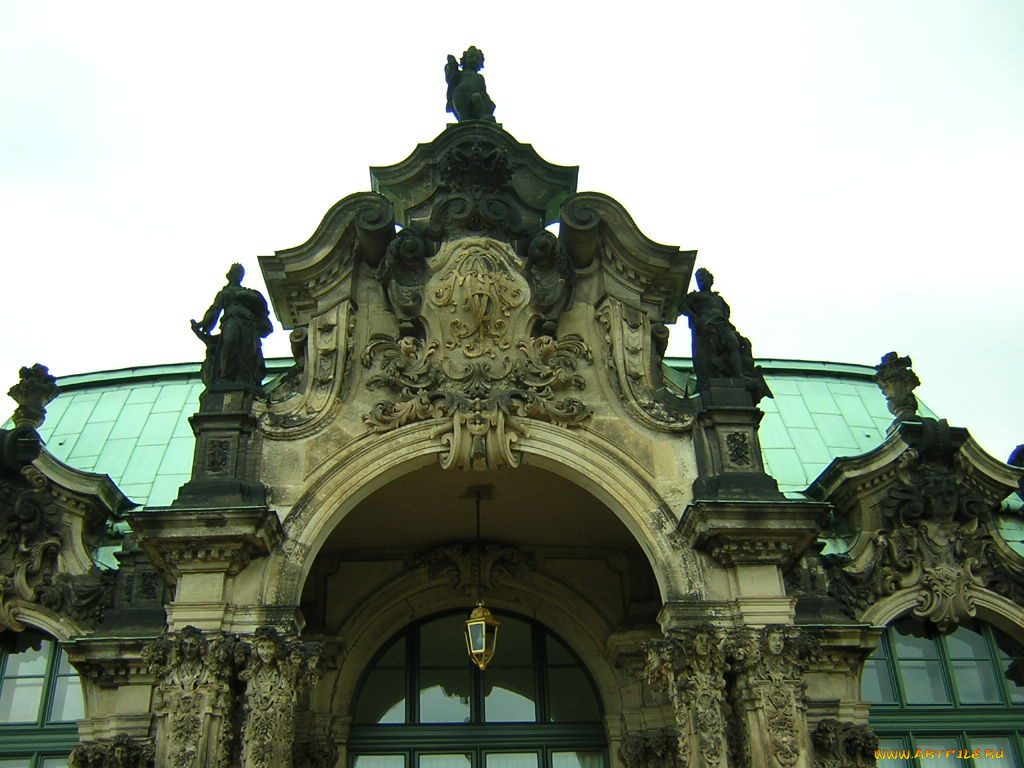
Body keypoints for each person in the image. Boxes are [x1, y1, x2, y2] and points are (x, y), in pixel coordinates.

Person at [191, 264, 272, 393]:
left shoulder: (249, 292)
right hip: (231, 321)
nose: (239, 274)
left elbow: (261, 305)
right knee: (229, 343)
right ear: (230, 275)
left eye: (241, 272)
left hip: (248, 325)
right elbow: (215, 309)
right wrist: (202, 324)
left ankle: (245, 379)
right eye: (236, 272)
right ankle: (225, 378)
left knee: (247, 352)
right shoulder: (225, 293)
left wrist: (245, 294)